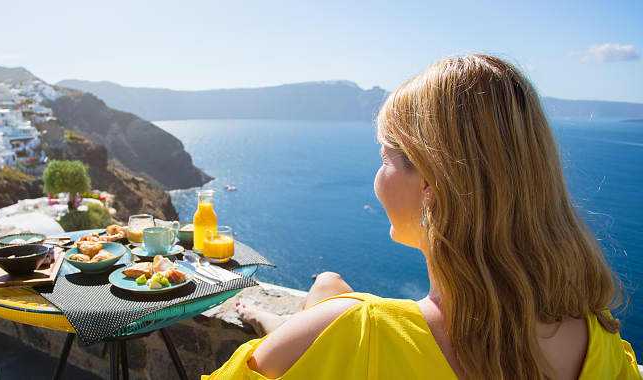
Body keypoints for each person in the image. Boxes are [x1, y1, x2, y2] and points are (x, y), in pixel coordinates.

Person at [206, 54, 641, 379]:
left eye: (385, 156)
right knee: (327, 285)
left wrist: (303, 333)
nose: (377, 176)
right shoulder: (604, 347)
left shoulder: (358, 336)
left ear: (432, 187)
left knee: (328, 291)